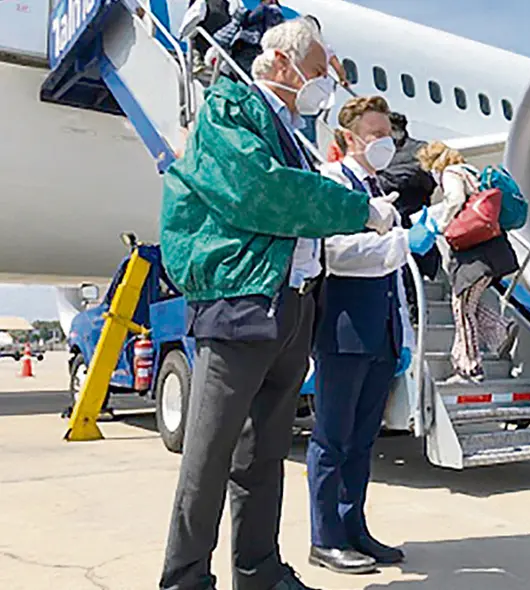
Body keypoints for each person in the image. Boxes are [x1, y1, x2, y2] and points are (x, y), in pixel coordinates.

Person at [158, 20, 396, 590]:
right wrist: (356, 210)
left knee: (263, 454)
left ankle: (257, 569)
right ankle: (185, 577)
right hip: (241, 302)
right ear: (283, 65)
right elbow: (260, 191)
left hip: (288, 305)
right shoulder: (231, 109)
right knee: (209, 455)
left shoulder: (289, 128)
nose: (322, 84)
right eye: (317, 71)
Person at [306, 95, 436, 575]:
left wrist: (400, 334)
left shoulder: (377, 187)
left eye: (389, 135)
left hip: (379, 331)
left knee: (363, 442)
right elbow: (335, 253)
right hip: (343, 331)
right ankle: (325, 538)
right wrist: (404, 240)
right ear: (348, 138)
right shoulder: (332, 182)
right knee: (332, 439)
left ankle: (353, 526)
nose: (386, 143)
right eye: (376, 135)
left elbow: (393, 273)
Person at [416, 140, 519, 382]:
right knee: (465, 303)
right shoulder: (471, 171)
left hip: (475, 254)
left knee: (461, 308)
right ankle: (499, 329)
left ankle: (470, 366)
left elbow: (454, 199)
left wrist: (441, 225)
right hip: (491, 249)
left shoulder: (451, 172)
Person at [379, 111, 442, 311]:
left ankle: (413, 305)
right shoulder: (385, 151)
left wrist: (386, 178)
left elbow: (424, 177)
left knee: (410, 261)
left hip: (412, 217)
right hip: (394, 217)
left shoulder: (419, 149)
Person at [213, 0, 286, 79]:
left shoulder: (265, 9)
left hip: (249, 43)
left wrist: (243, 16)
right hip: (260, 48)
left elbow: (250, 19)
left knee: (240, 68)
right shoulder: (281, 18)